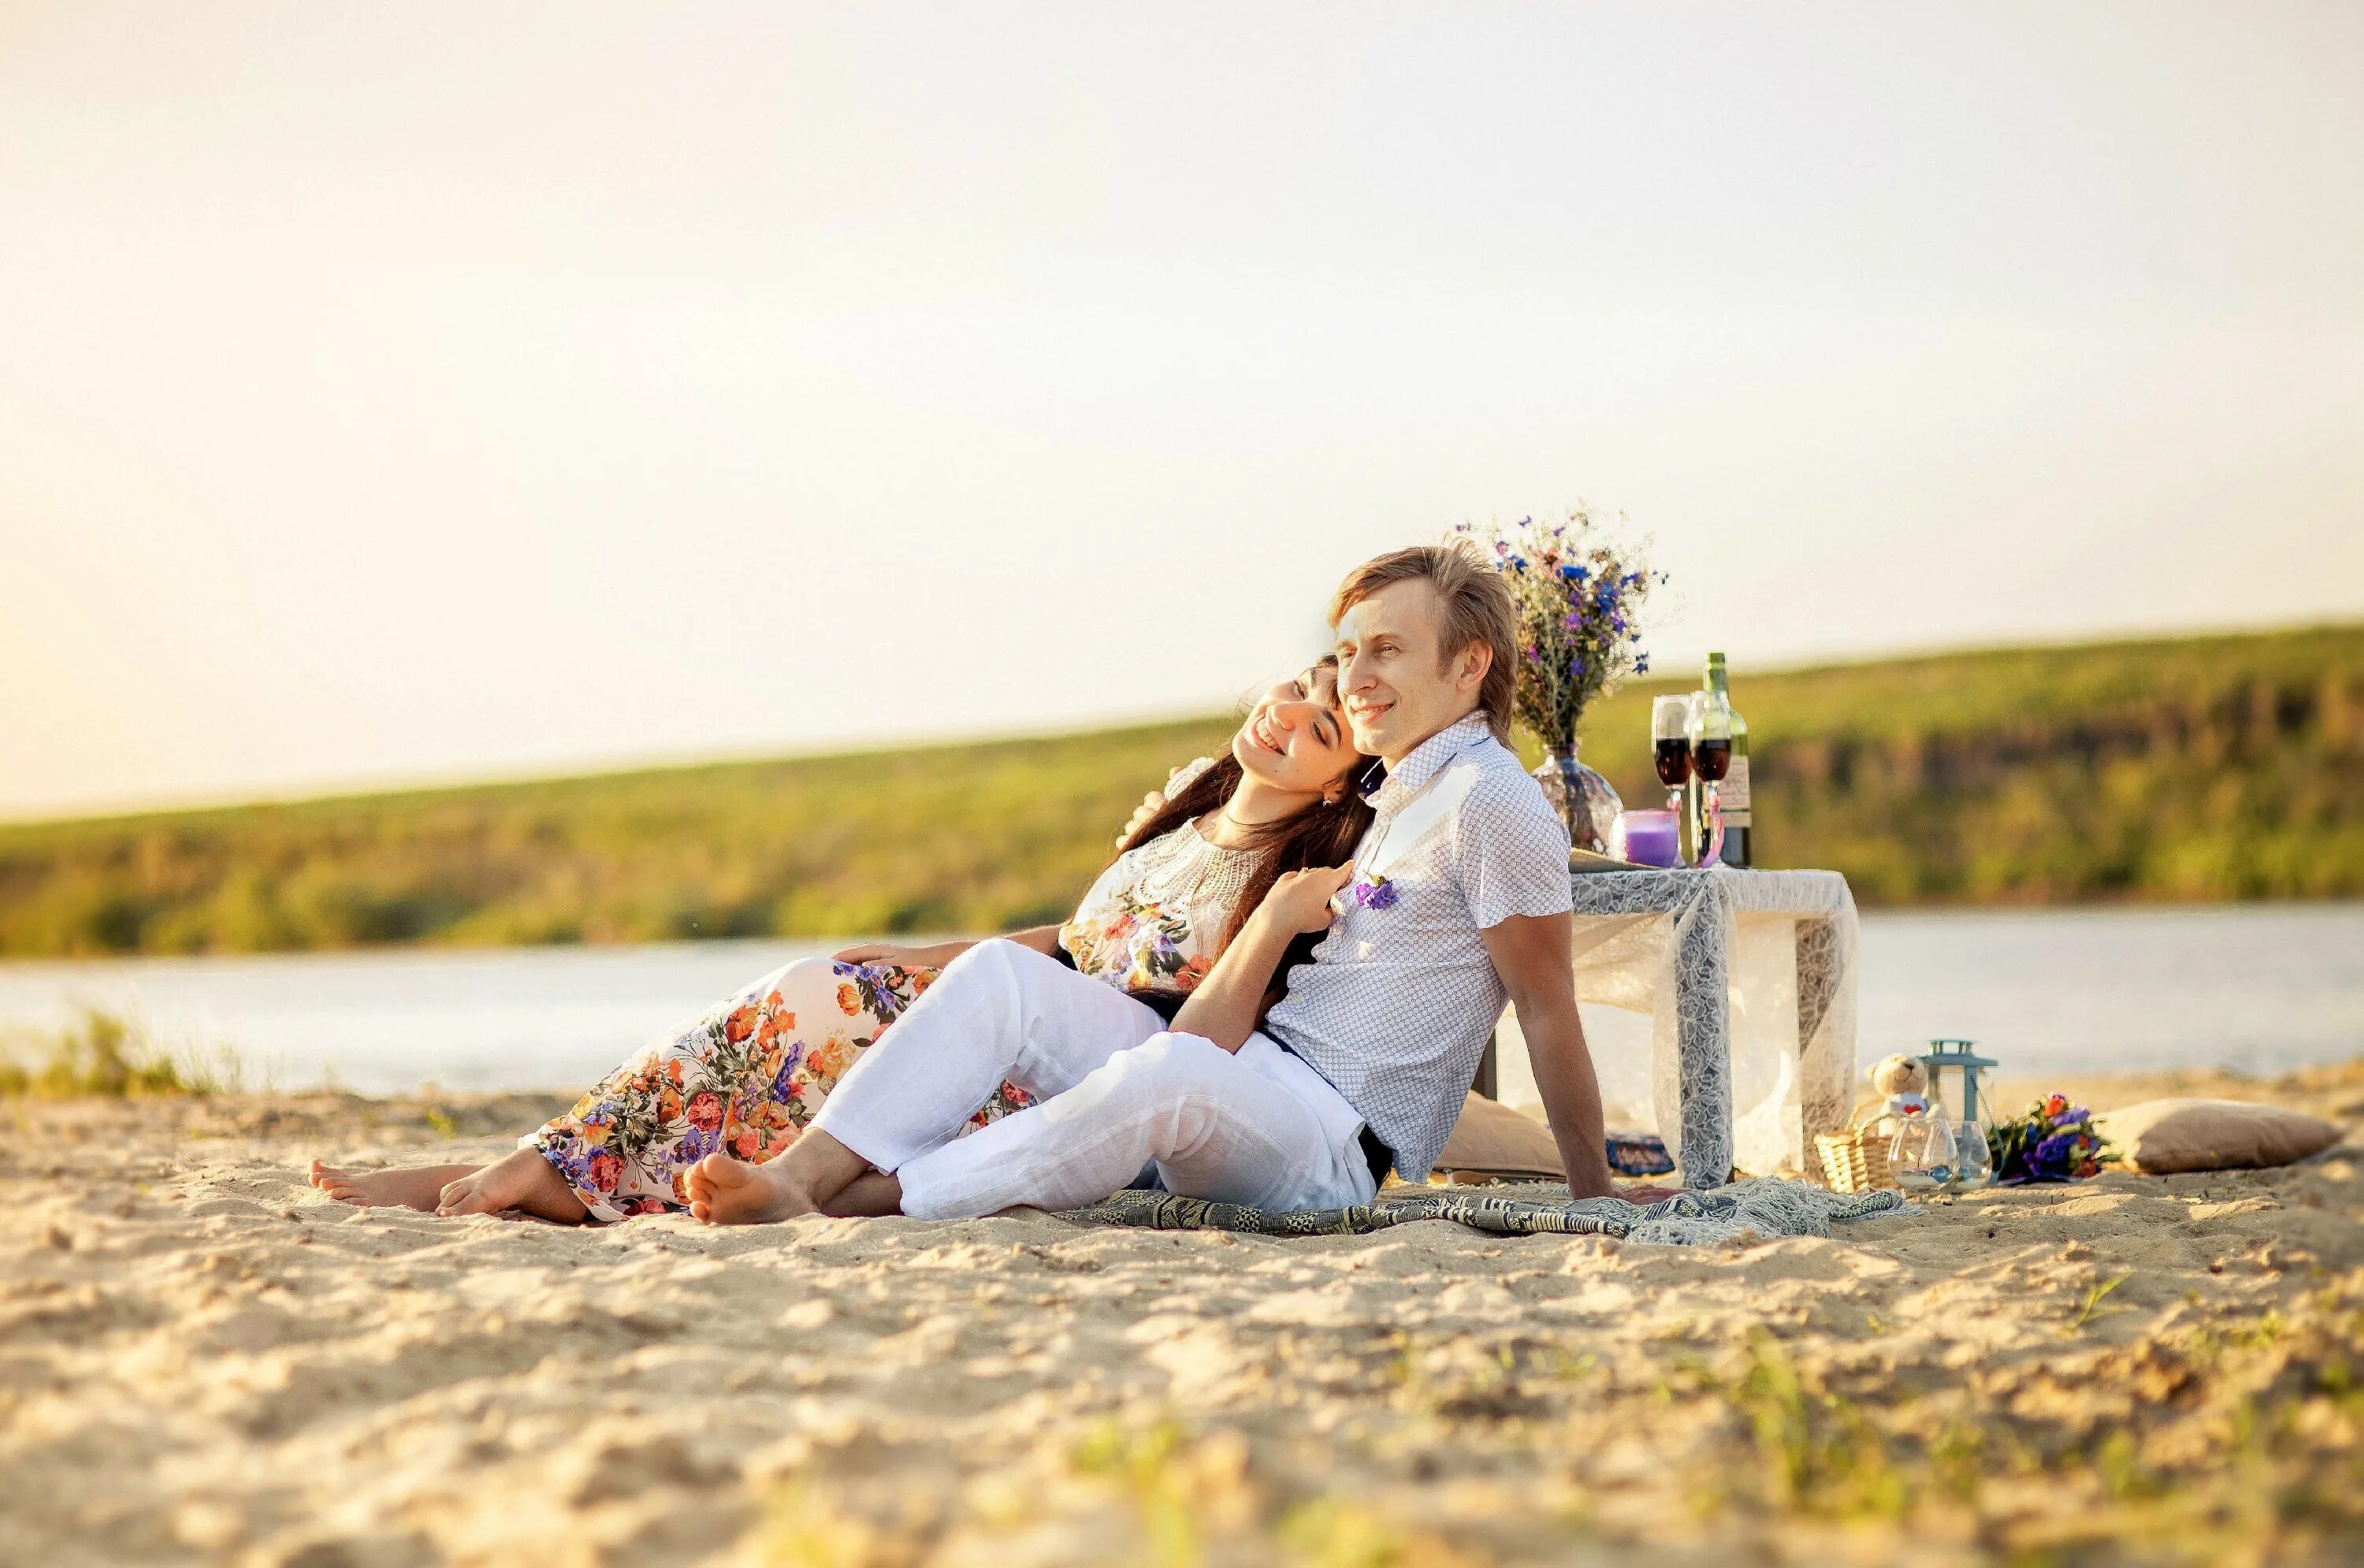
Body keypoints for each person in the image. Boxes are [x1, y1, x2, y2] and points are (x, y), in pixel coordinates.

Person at [685, 540, 1630, 1226]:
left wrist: (1596, 1191)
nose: (1353, 680)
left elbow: (1548, 1007)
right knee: (1004, 980)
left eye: (1386, 650)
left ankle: (865, 1201)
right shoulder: (1396, 787)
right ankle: (805, 1172)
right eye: (1348, 652)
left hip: (1327, 1142)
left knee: (1172, 1075)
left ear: (1469, 666)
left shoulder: (1493, 800)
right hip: (1249, 1078)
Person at [307, 661, 1372, 1222]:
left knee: (823, 1028)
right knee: (814, 986)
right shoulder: (1191, 813)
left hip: (1071, 1087)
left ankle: (562, 1173)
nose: (1287, 713)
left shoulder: (1291, 873)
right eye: (1296, 687)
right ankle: (561, 1160)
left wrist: (1275, 919)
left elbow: (1194, 1042)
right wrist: (923, 958)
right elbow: (1075, 940)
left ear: (1335, 782)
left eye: (1321, 726)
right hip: (1014, 1016)